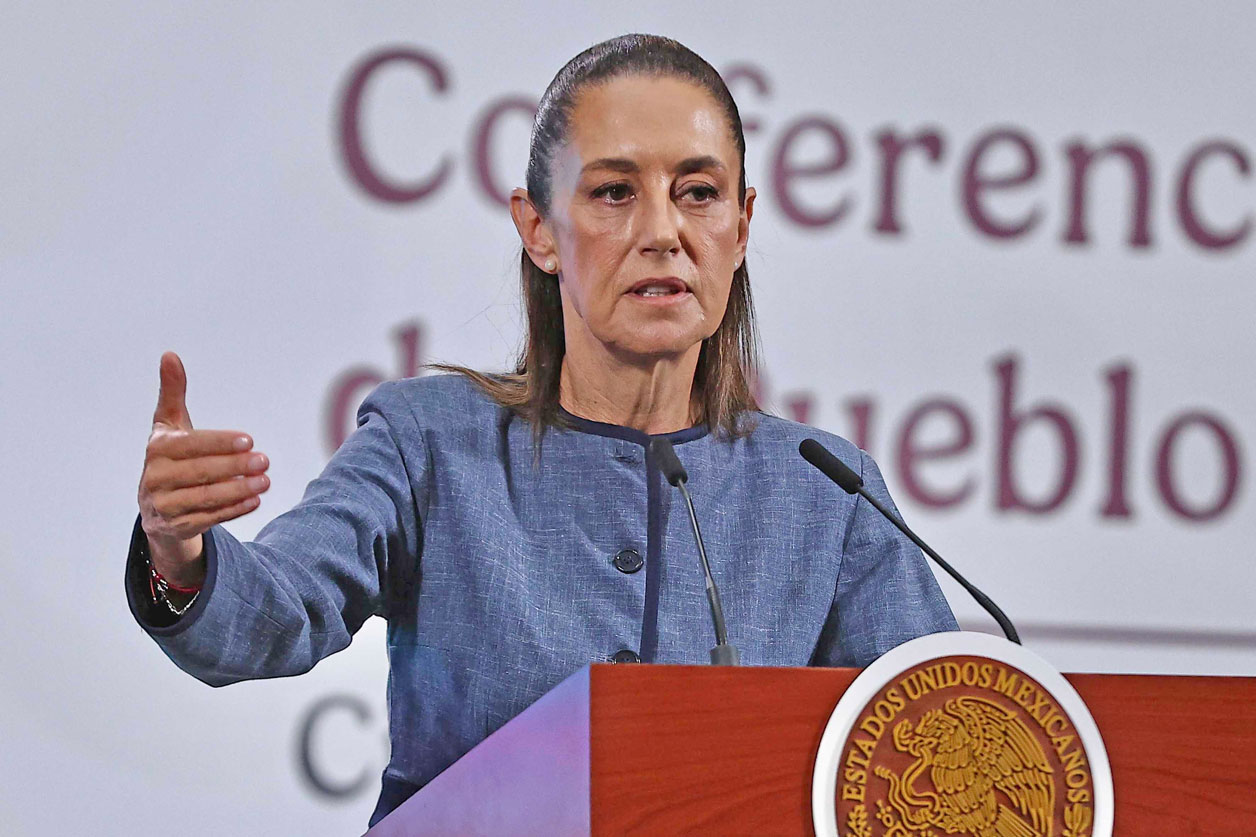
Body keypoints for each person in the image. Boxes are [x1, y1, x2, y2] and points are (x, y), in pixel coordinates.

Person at [128, 34, 957, 826]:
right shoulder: (430, 444)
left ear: (740, 229)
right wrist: (179, 552)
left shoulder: (827, 492)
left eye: (698, 193)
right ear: (539, 230)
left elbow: (945, 741)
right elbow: (278, 608)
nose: (662, 232)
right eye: (614, 192)